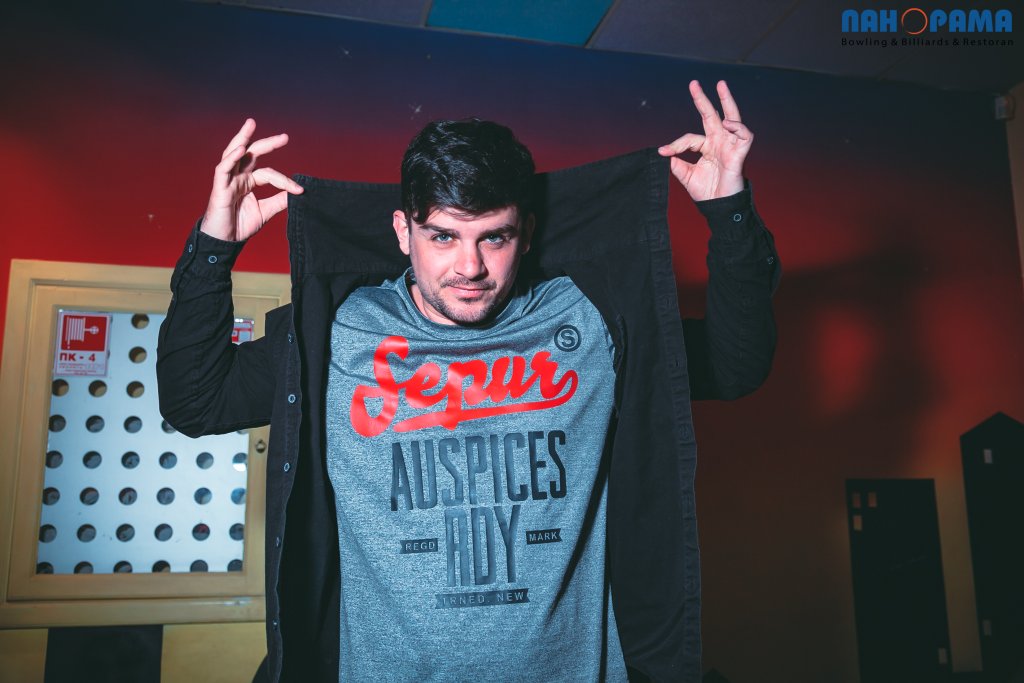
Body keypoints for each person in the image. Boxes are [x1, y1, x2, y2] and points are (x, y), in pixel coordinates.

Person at [158, 80, 780, 683]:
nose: (470, 266)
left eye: (494, 237)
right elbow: (195, 401)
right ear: (403, 231)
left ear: (524, 233)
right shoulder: (338, 331)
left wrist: (730, 214)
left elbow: (734, 366)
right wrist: (214, 248)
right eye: (443, 236)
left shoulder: (589, 319)